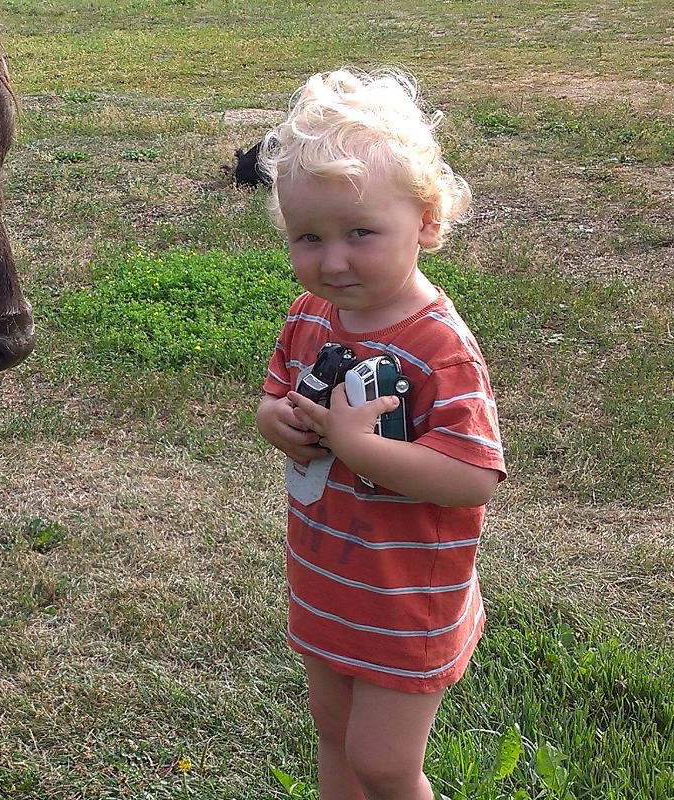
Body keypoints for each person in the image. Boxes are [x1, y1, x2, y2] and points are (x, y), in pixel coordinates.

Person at [253, 68, 505, 800]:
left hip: (405, 595)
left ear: (425, 221)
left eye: (360, 232)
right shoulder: (310, 315)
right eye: (309, 237)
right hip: (330, 578)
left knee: (384, 763)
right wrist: (275, 421)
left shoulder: (438, 347)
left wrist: (361, 448)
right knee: (332, 730)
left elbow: (472, 477)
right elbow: (275, 395)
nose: (332, 260)